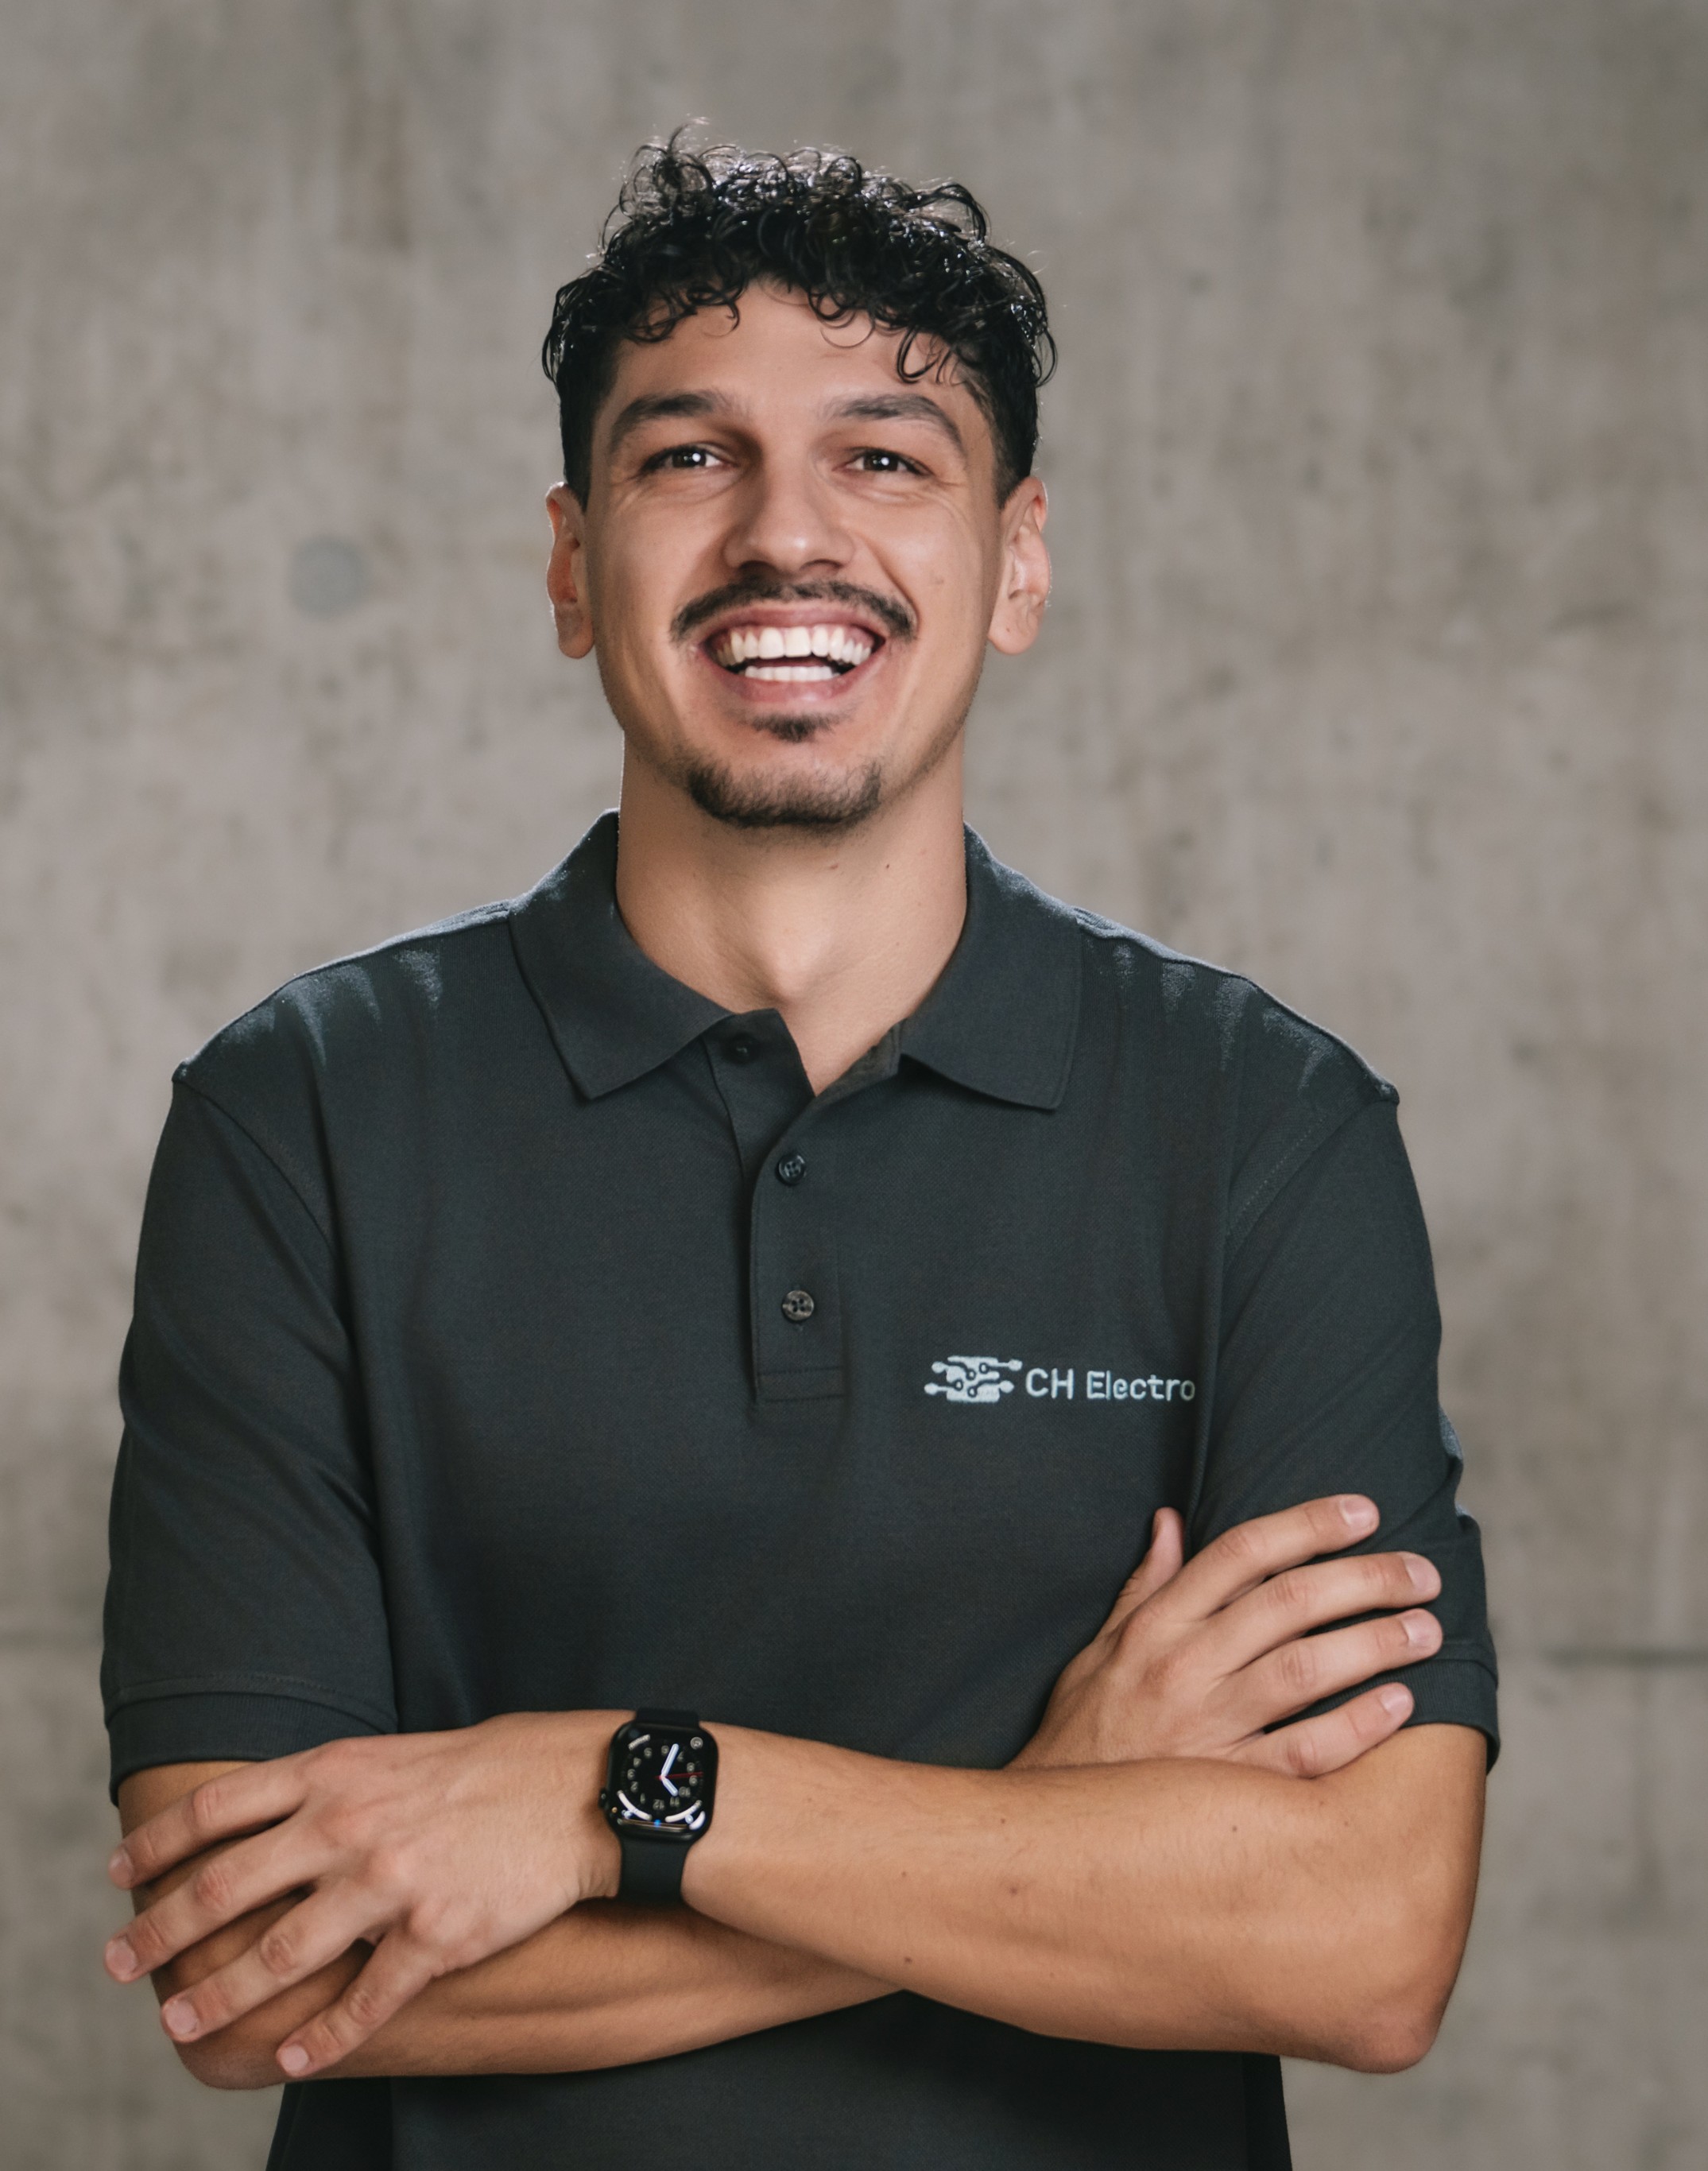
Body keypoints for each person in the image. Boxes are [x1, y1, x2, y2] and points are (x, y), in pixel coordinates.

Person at [100, 140, 1497, 2171]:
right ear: (570, 563)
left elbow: (1362, 1940)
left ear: (1016, 563)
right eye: (690, 458)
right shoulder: (302, 1114)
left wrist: (617, 1791)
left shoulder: (1259, 1128)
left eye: (884, 459)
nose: (785, 535)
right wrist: (1045, 1815)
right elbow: (252, 1972)